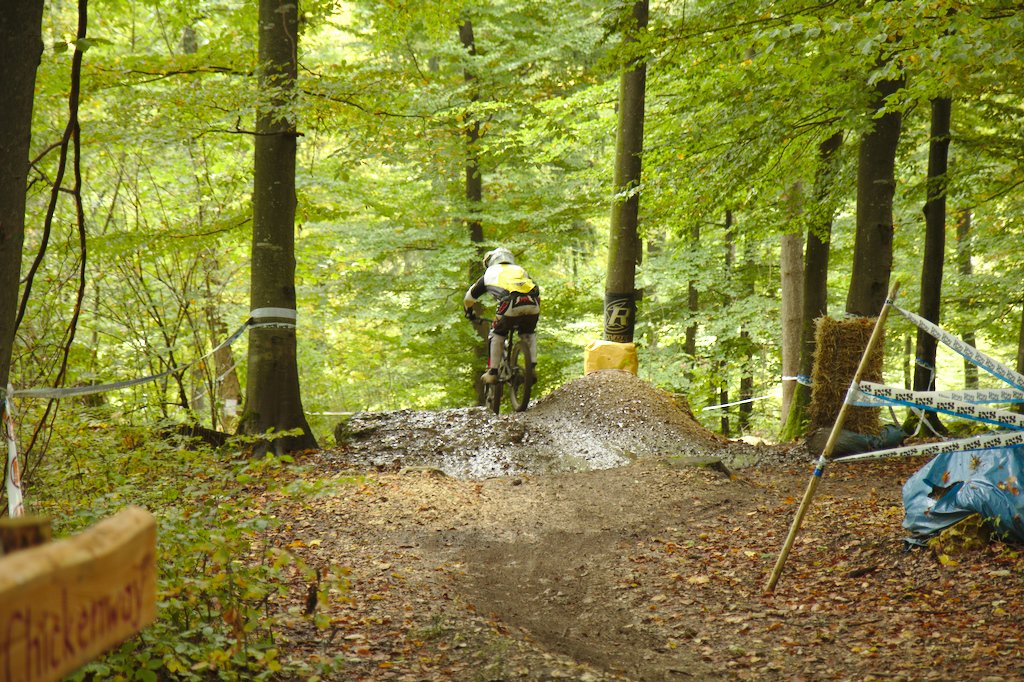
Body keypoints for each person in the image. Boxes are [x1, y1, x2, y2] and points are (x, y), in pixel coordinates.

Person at [463, 247, 540, 384]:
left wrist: (469, 312)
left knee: (497, 333)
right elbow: (536, 289)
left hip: (509, 304)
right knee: (528, 332)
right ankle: (532, 367)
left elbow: (469, 298)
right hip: (533, 303)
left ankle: (492, 372)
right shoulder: (520, 270)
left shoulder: (489, 273)